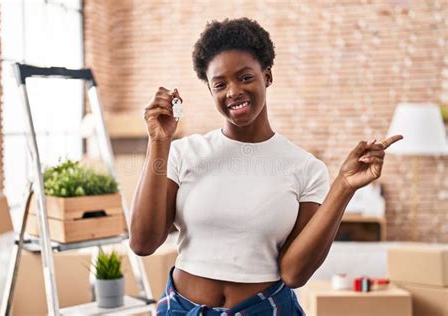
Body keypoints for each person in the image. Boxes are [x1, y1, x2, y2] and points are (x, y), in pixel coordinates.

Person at [130, 17, 403, 316]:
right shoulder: (183, 152)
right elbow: (143, 242)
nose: (233, 91)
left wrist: (344, 187)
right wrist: (158, 141)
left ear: (267, 76)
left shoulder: (305, 168)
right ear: (210, 91)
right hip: (181, 309)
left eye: (245, 77)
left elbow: (294, 274)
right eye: (220, 84)